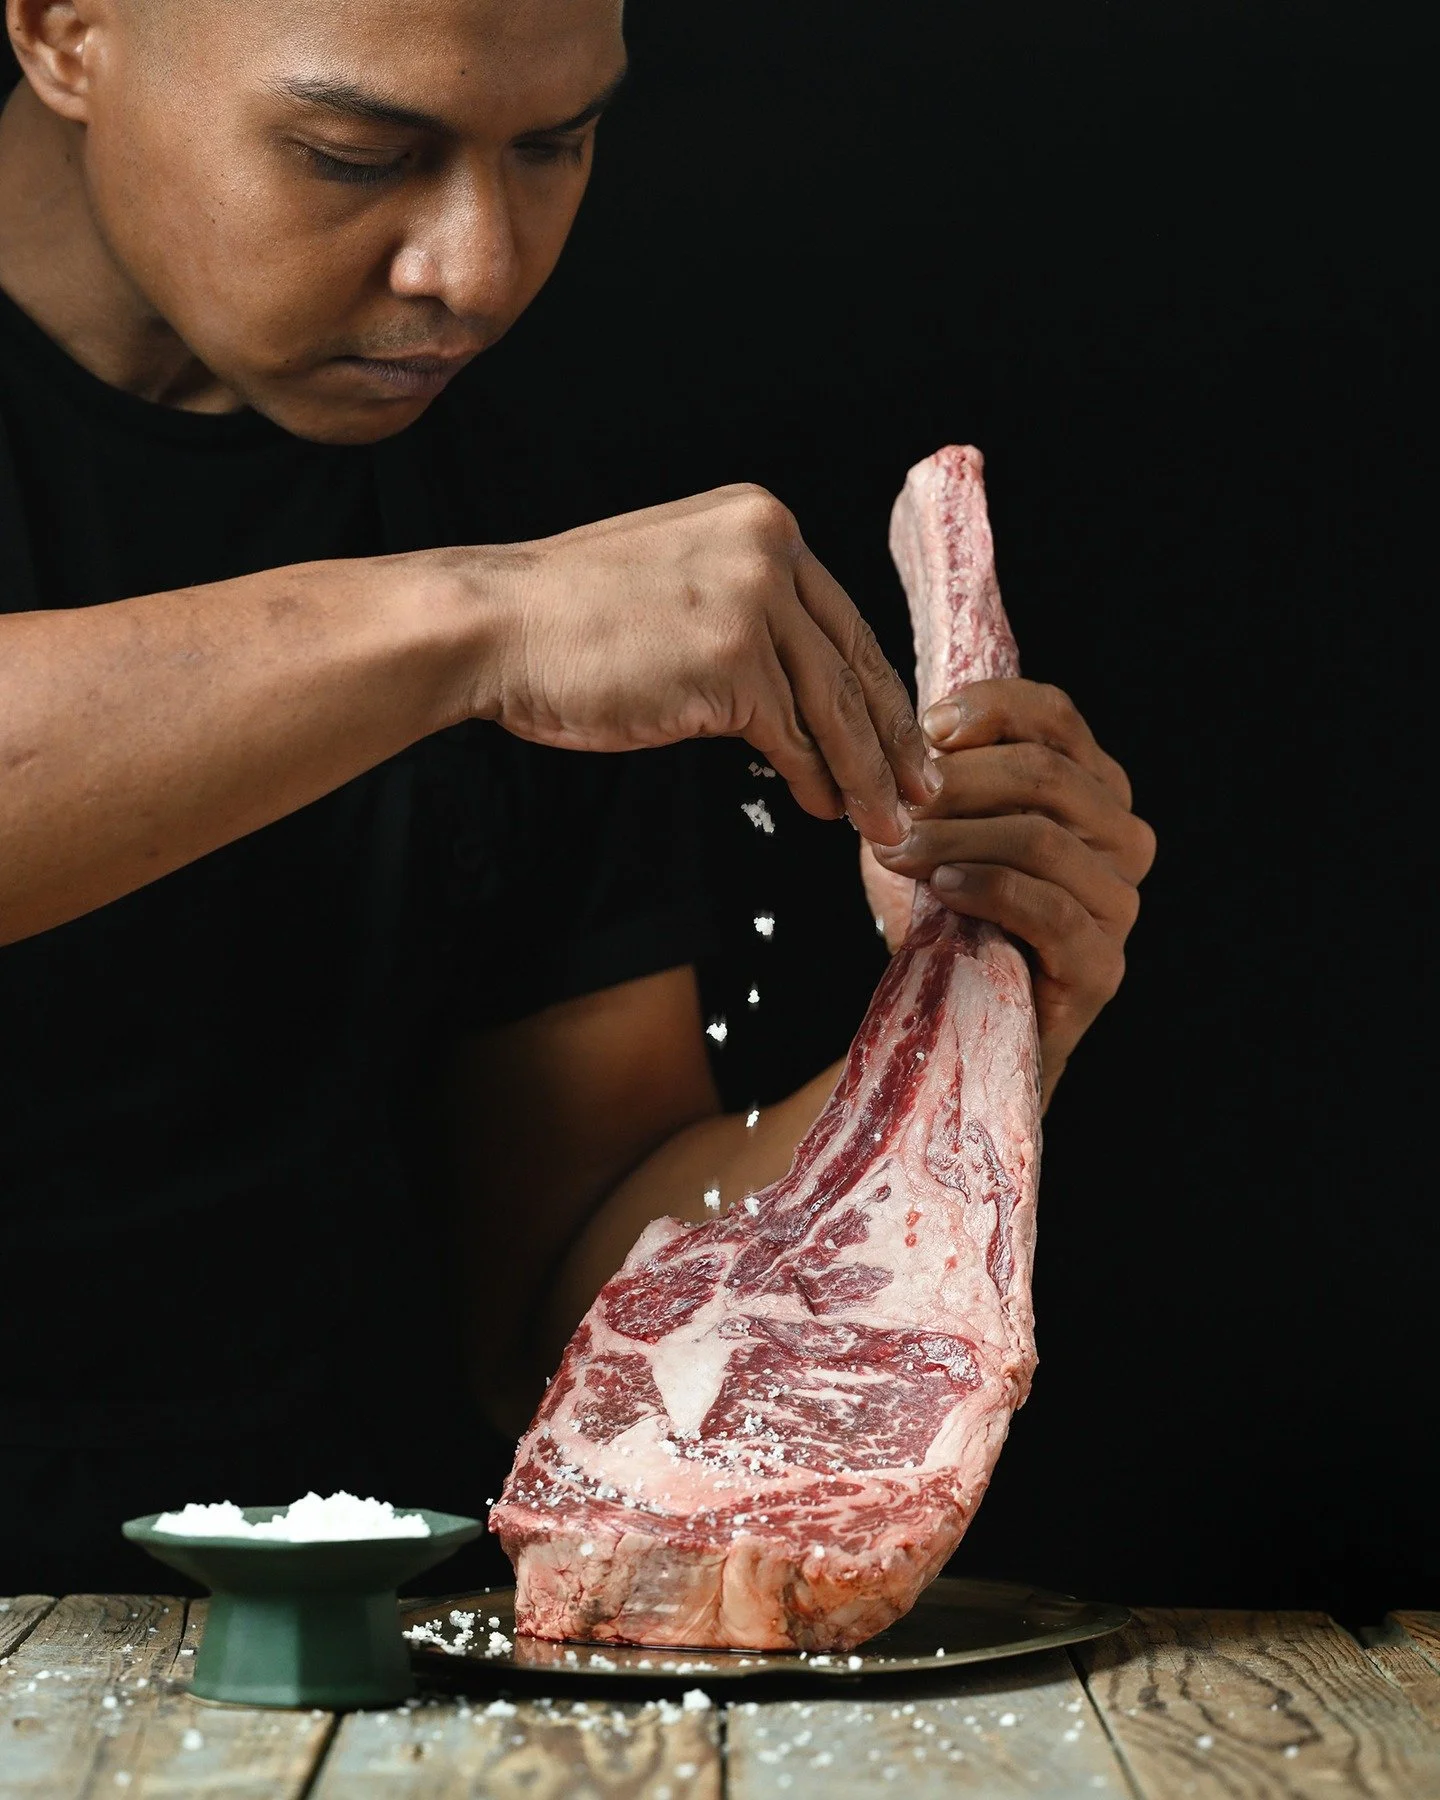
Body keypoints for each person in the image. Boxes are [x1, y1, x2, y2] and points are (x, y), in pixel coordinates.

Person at [0, 0, 1155, 1595]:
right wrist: (479, 625)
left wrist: (966, 1039)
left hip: (336, 1664)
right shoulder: (530, 591)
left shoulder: (531, 489)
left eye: (557, 143)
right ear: (65, 33)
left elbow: (556, 1303)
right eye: (356, 154)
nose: (475, 271)